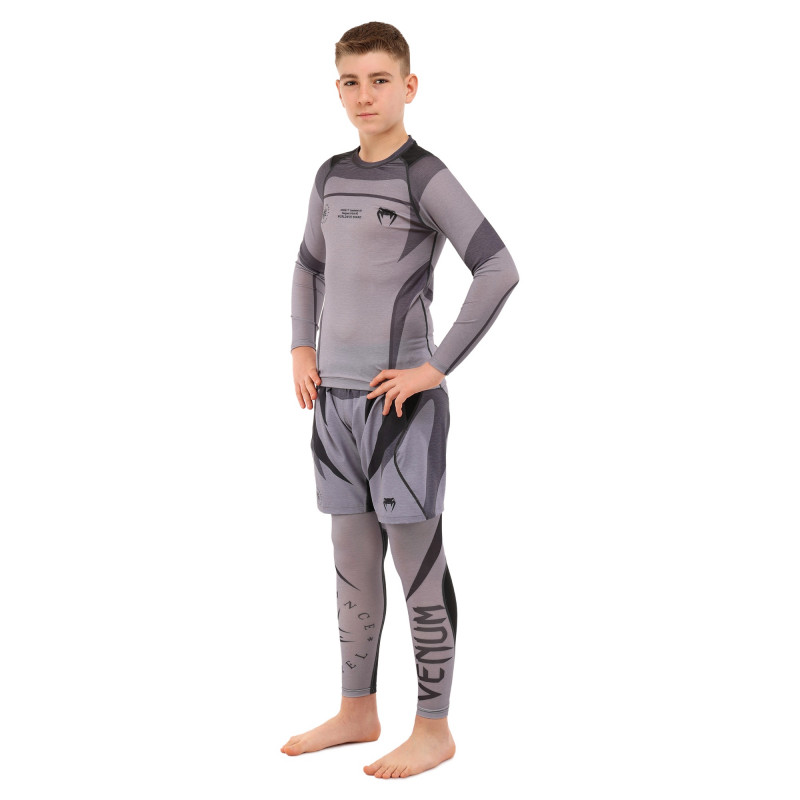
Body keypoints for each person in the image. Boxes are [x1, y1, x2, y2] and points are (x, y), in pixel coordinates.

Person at [281, 21, 519, 779]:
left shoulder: (424, 176)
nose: (365, 95)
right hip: (333, 406)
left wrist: (435, 368)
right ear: (338, 89)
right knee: (352, 564)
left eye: (380, 80)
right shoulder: (329, 175)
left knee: (417, 565)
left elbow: (498, 268)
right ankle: (358, 710)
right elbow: (307, 265)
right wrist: (301, 347)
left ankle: (434, 728)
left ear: (408, 86)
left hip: (400, 411)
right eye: (351, 82)